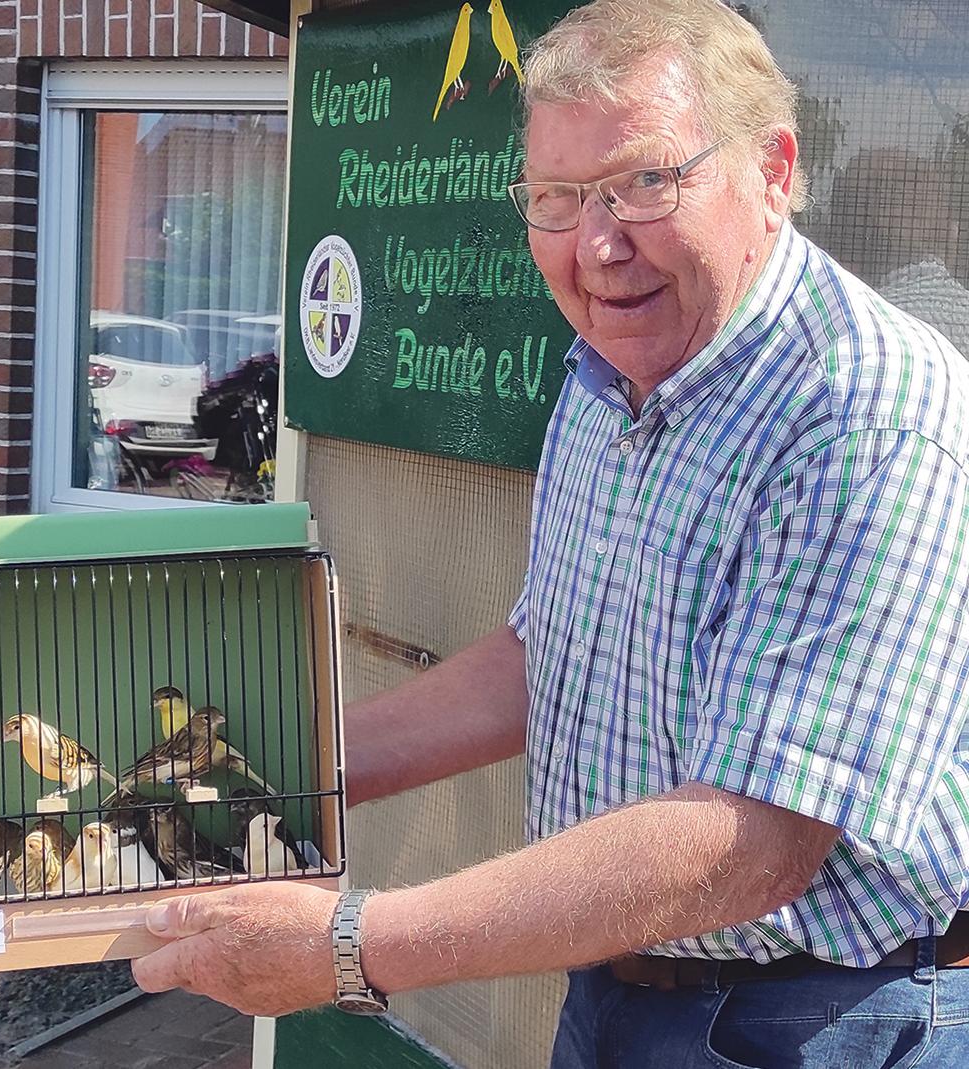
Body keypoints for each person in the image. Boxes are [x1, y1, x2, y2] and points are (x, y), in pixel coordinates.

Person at [132, 1, 969, 1064]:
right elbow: (547, 656)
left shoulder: (866, 417)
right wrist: (280, 767)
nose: (598, 245)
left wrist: (349, 945)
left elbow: (754, 841)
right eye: (557, 199)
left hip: (820, 1018)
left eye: (645, 182)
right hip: (615, 987)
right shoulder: (610, 369)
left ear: (773, 169)